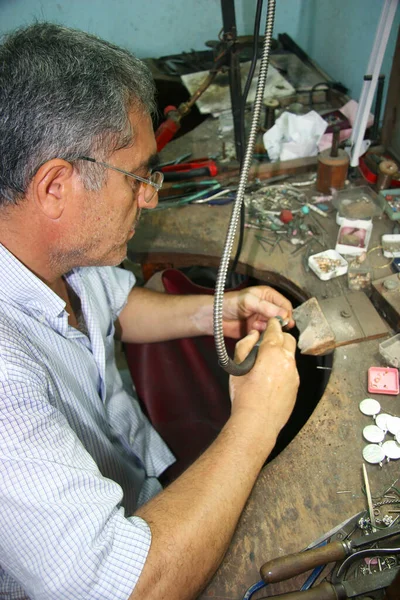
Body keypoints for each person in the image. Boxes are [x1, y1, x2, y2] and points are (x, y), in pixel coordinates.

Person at [0, 22, 300, 600]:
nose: (151, 195)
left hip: (141, 482)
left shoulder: (54, 250)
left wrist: (216, 312)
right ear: (55, 187)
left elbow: (112, 306)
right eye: (137, 176)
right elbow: (127, 586)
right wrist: (256, 421)